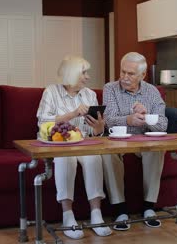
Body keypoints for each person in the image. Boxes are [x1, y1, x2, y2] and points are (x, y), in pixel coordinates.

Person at [36, 55, 112, 239]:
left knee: (94, 158)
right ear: (71, 74)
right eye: (83, 73)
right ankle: (68, 216)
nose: (87, 77)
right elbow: (42, 121)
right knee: (66, 159)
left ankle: (96, 215)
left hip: (82, 142)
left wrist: (98, 128)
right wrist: (72, 114)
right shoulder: (51, 92)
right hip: (57, 143)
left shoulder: (90, 94)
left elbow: (93, 131)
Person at [102, 52, 168, 231]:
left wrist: (147, 116)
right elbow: (108, 119)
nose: (124, 77)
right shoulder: (110, 88)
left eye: (130, 74)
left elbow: (163, 123)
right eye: (122, 72)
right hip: (117, 140)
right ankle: (120, 209)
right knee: (107, 154)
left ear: (142, 75)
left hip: (144, 140)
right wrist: (128, 120)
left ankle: (148, 207)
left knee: (157, 148)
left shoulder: (152, 92)